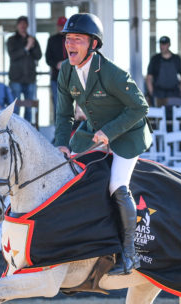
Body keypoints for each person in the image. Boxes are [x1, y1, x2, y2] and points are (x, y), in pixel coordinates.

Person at [54, 13, 152, 275]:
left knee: (116, 184)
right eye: (68, 39)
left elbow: (140, 107)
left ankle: (130, 254)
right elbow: (63, 115)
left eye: (77, 39)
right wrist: (62, 144)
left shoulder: (111, 72)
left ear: (93, 45)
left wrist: (110, 131)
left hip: (128, 133)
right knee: (66, 176)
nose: (70, 44)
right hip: (93, 131)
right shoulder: (66, 70)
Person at [7, 16, 42, 122]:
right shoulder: (11, 40)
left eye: (24, 23)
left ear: (27, 25)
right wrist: (27, 47)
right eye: (20, 23)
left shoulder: (32, 40)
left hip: (30, 78)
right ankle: (15, 131)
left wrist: (32, 46)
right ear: (17, 26)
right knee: (15, 108)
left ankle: (27, 132)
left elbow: (39, 55)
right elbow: (13, 56)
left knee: (29, 108)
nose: (22, 26)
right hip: (16, 79)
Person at [146, 36, 181, 105]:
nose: (162, 46)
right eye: (160, 44)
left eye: (164, 44)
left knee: (175, 114)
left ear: (169, 45)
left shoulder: (176, 58)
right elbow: (149, 77)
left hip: (174, 93)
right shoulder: (155, 59)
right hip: (158, 93)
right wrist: (152, 92)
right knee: (159, 115)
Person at [45, 16, 68, 122]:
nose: (62, 28)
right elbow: (48, 58)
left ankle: (72, 132)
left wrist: (67, 64)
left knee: (70, 106)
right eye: (60, 26)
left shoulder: (72, 39)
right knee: (57, 105)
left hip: (71, 78)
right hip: (56, 78)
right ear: (57, 27)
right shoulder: (52, 40)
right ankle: (57, 132)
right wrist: (56, 64)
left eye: (64, 25)